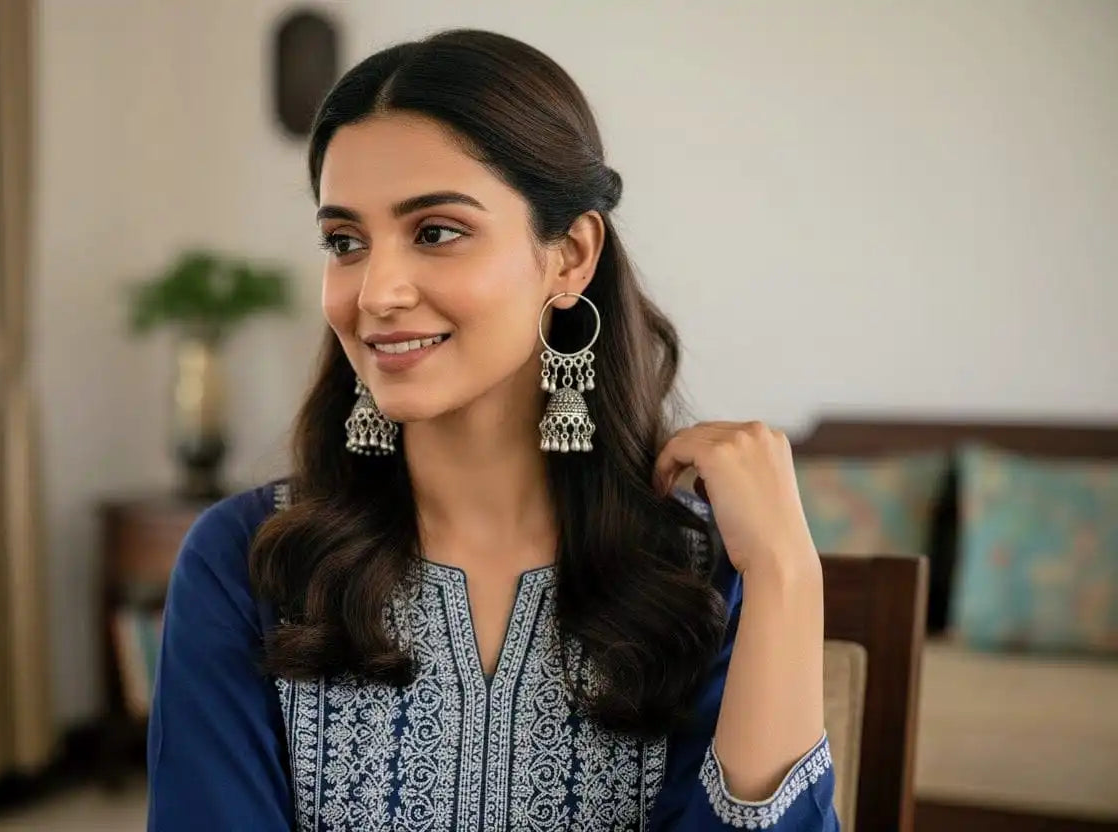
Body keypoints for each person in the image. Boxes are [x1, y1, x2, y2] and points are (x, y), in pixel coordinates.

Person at [147, 28, 837, 831]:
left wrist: (787, 573)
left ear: (570, 255)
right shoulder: (246, 563)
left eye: (436, 231)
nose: (377, 292)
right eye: (345, 242)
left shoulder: (701, 573)